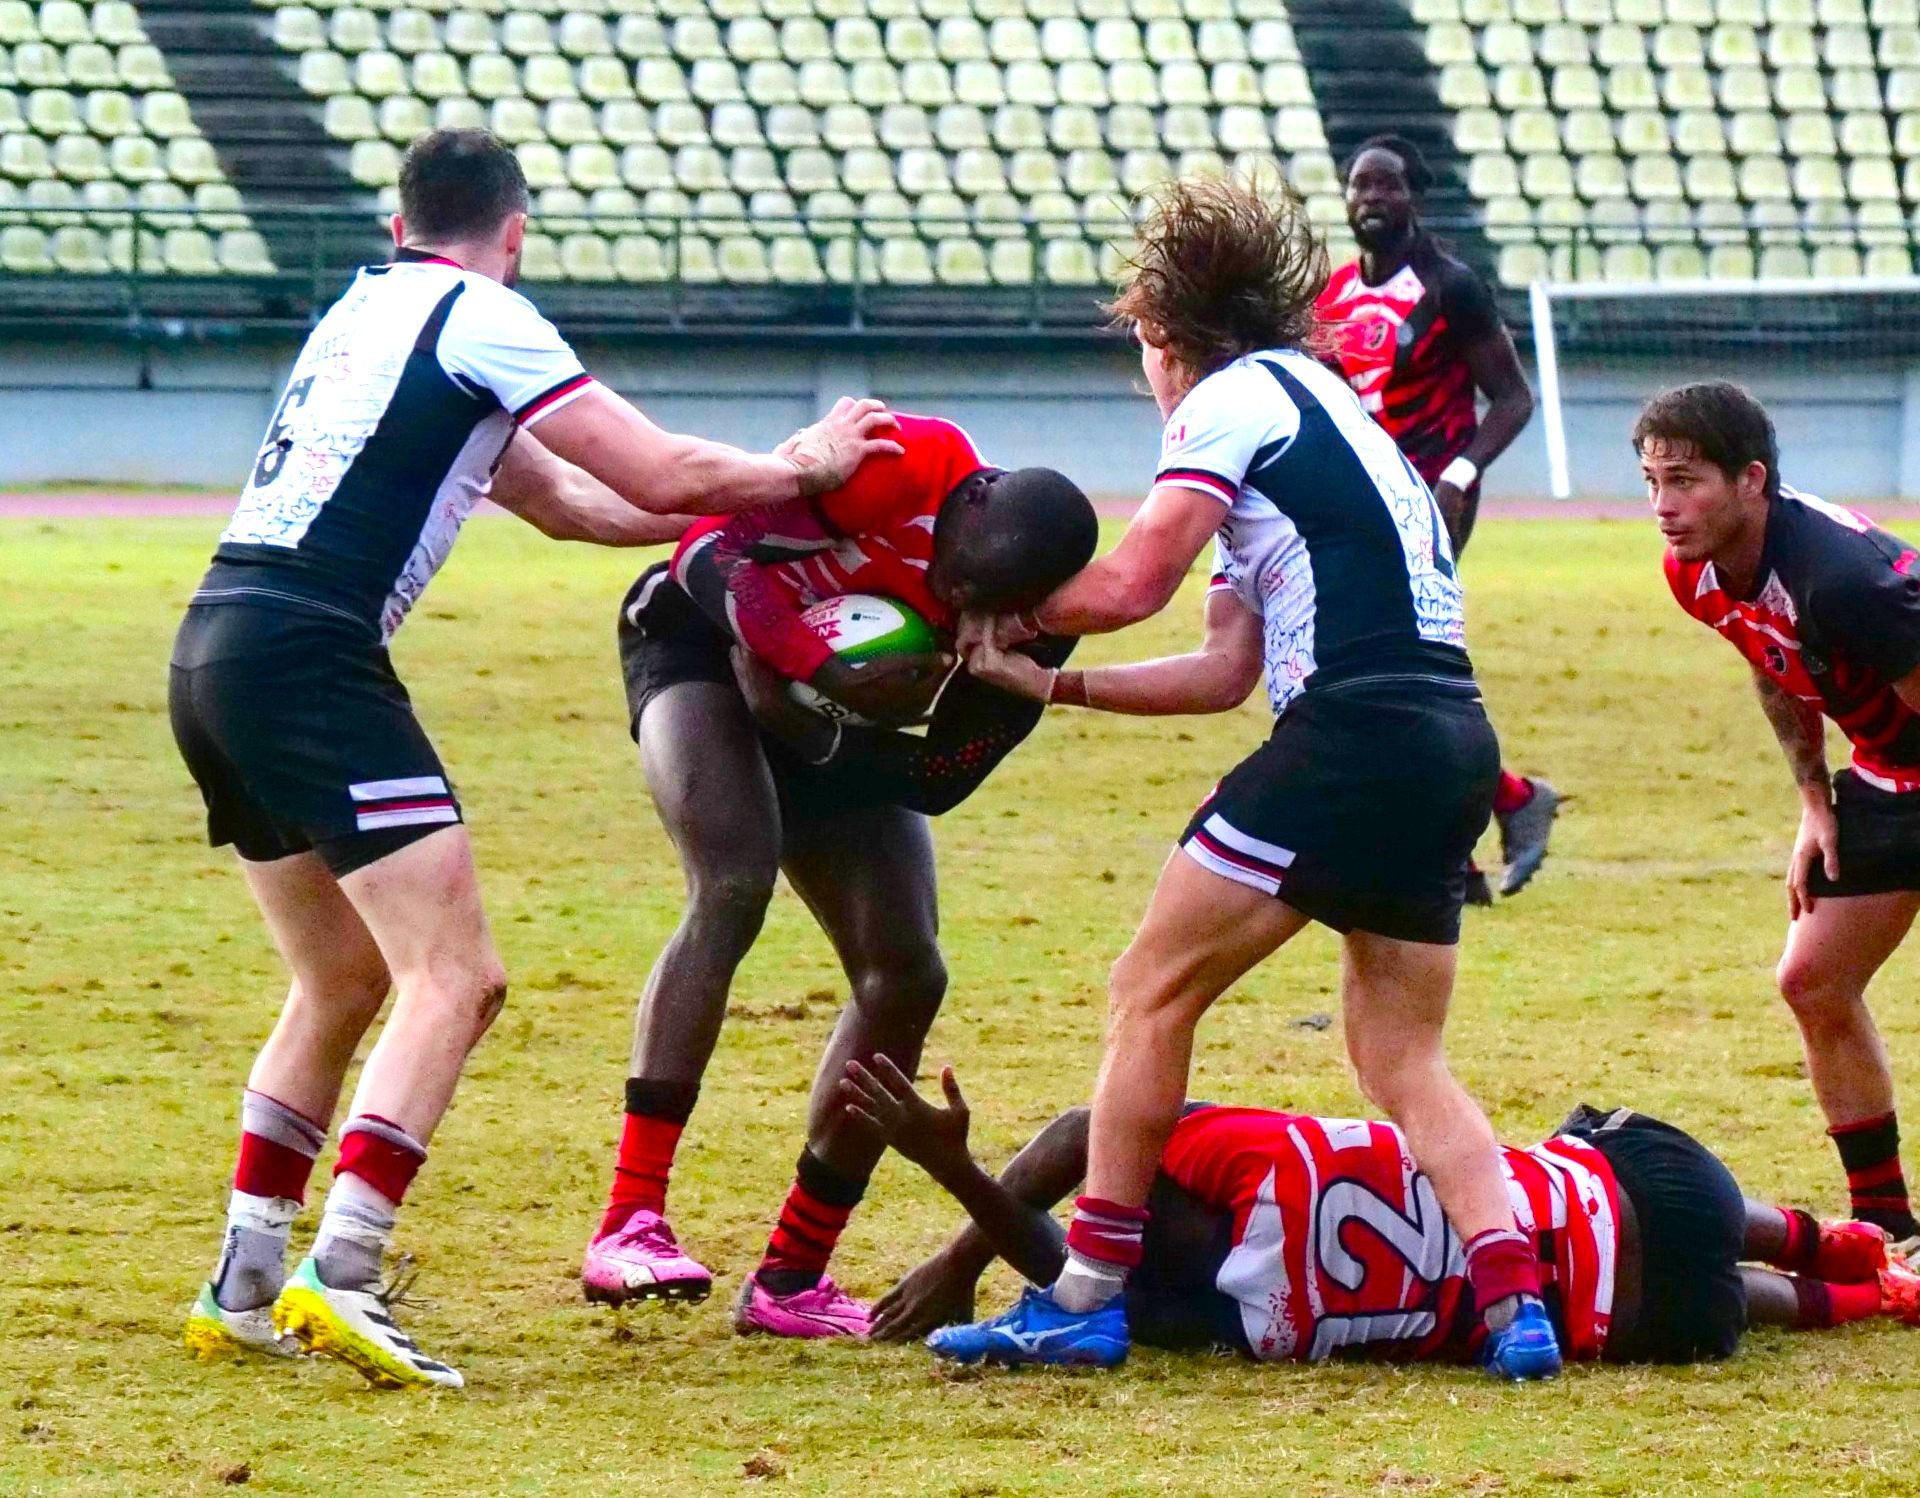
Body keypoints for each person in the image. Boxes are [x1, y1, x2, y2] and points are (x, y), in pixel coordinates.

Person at [174, 128, 902, 1390]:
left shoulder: (364, 315)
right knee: (456, 979)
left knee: (340, 981)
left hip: (214, 649)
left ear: (405, 218)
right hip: (310, 657)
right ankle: (343, 1269)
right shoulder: (481, 314)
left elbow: (581, 503)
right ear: (513, 232)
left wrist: (752, 508)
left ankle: (242, 1276)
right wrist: (805, 466)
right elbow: (657, 462)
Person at [946, 174, 1562, 1378]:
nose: (1149, 375)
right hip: (1452, 744)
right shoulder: (1337, 410)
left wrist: (980, 618)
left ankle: (1085, 1292)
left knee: (1149, 990)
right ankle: (1516, 1306)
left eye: (1144, 350)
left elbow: (1129, 585)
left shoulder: (1226, 403)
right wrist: (1054, 684)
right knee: (1401, 1054)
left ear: (1167, 332)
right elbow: (1226, 667)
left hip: (1353, 736)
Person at [584, 413, 1099, 1337]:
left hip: (816, 707)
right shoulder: (905, 463)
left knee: (906, 969)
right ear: (968, 502)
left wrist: (808, 718)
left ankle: (792, 1275)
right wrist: (813, 667)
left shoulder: (1034, 619)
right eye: (959, 579)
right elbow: (707, 556)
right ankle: (632, 1221)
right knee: (733, 884)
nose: (958, 602)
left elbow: (941, 777)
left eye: (989, 600)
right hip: (696, 645)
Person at [836, 1057, 1920, 1365]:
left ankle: (1866, 1302)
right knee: (1624, 1188)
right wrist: (960, 1240)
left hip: (1649, 1319)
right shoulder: (1254, 1155)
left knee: (1723, 1293)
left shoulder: (1233, 1326)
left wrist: (962, 1193)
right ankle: (1851, 1242)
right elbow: (1087, 1133)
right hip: (1653, 1189)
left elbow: (1082, 1267)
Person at [1643, 380, 1920, 1259]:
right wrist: (1815, 801)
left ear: (1751, 480)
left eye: (1684, 480)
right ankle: (1886, 1224)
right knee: (1813, 980)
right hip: (1888, 772)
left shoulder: (1843, 580)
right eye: (1651, 480)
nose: (1663, 506)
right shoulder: (1696, 572)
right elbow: (1771, 658)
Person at [1318, 134, 1558, 901]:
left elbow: (1514, 397)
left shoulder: (1451, 287)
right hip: (1362, 500)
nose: (1371, 200)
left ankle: (1474, 834)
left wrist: (1459, 474)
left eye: (1386, 186)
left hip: (1432, 496)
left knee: (1385, 663)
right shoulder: (1330, 298)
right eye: (1360, 186)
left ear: (1412, 196)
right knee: (1389, 671)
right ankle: (1496, 815)